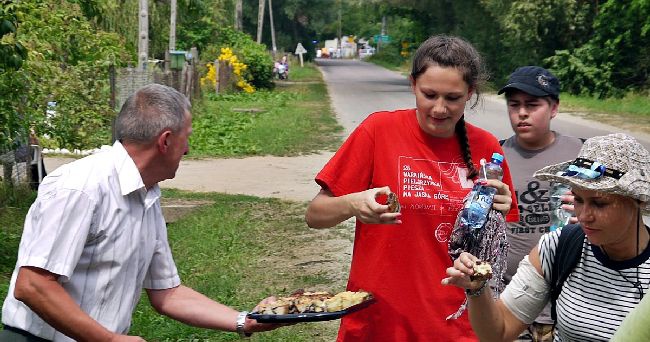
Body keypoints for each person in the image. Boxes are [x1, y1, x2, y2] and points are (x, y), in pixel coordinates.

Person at [1, 84, 279, 341]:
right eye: (187, 138)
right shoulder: (79, 188)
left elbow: (167, 293)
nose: (188, 149)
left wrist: (245, 320)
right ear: (166, 141)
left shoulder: (146, 194)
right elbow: (33, 284)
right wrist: (109, 340)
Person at [305, 35, 519, 341]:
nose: (440, 108)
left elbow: (496, 252)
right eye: (429, 94)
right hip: (380, 322)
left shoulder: (486, 147)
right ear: (412, 85)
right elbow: (315, 215)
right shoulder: (378, 131)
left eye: (453, 98)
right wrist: (353, 204)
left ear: (470, 93)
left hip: (456, 325)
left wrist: (499, 213)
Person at [442, 133, 650, 341]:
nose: (584, 215)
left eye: (600, 203)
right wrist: (478, 289)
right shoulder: (558, 246)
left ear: (638, 200)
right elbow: (499, 332)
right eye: (578, 200)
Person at [497, 66, 584, 341]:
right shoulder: (494, 155)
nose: (522, 113)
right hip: (511, 302)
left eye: (532, 105)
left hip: (568, 306)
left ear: (554, 108)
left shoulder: (583, 152)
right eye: (514, 105)